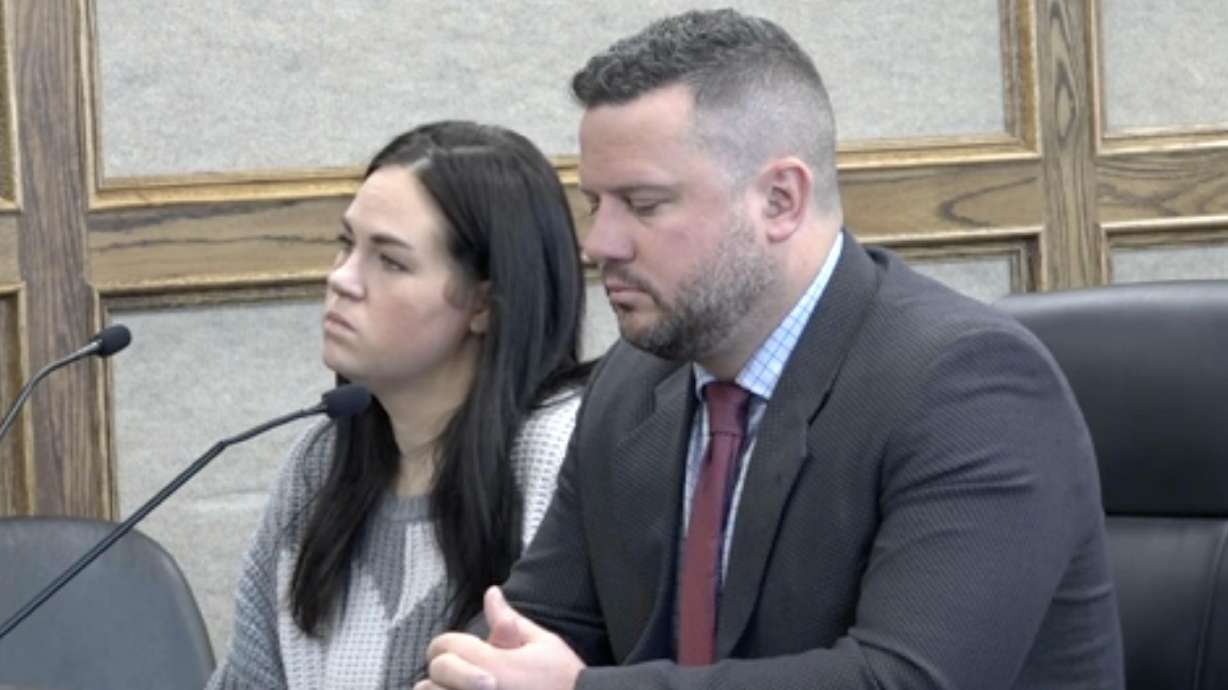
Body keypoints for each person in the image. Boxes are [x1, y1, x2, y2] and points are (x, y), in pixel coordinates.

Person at [418, 9, 1123, 690]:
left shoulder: (967, 386)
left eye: (644, 203)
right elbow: (537, 625)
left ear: (780, 201)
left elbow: (901, 680)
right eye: (595, 202)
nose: (601, 243)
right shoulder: (635, 383)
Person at [207, 121, 592, 689]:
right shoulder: (318, 462)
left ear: (485, 303)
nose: (341, 279)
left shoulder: (560, 455)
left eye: (389, 261)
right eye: (346, 244)